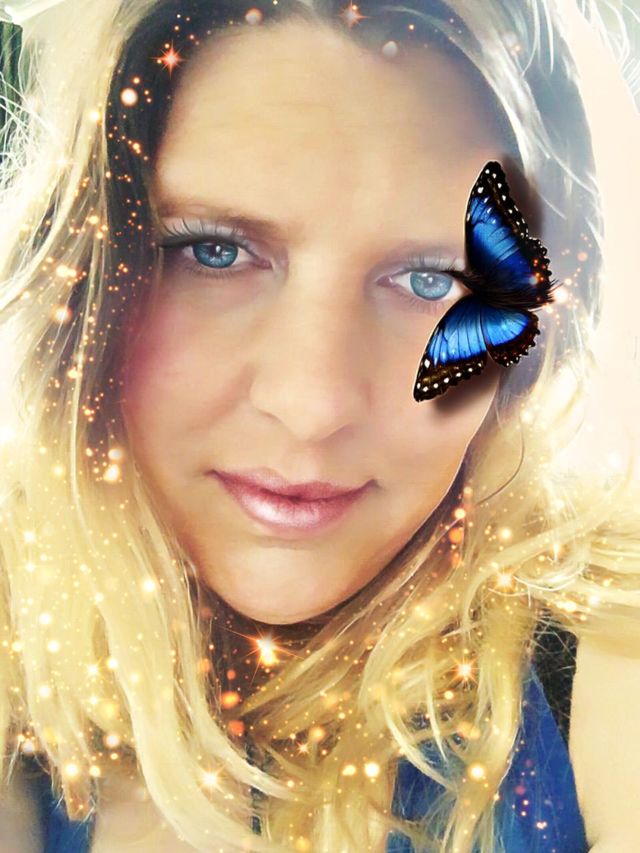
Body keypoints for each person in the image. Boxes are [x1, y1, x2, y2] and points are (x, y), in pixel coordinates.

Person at [0, 0, 638, 850]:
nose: (312, 403)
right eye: (214, 251)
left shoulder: (603, 645)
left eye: (434, 279)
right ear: (82, 278)